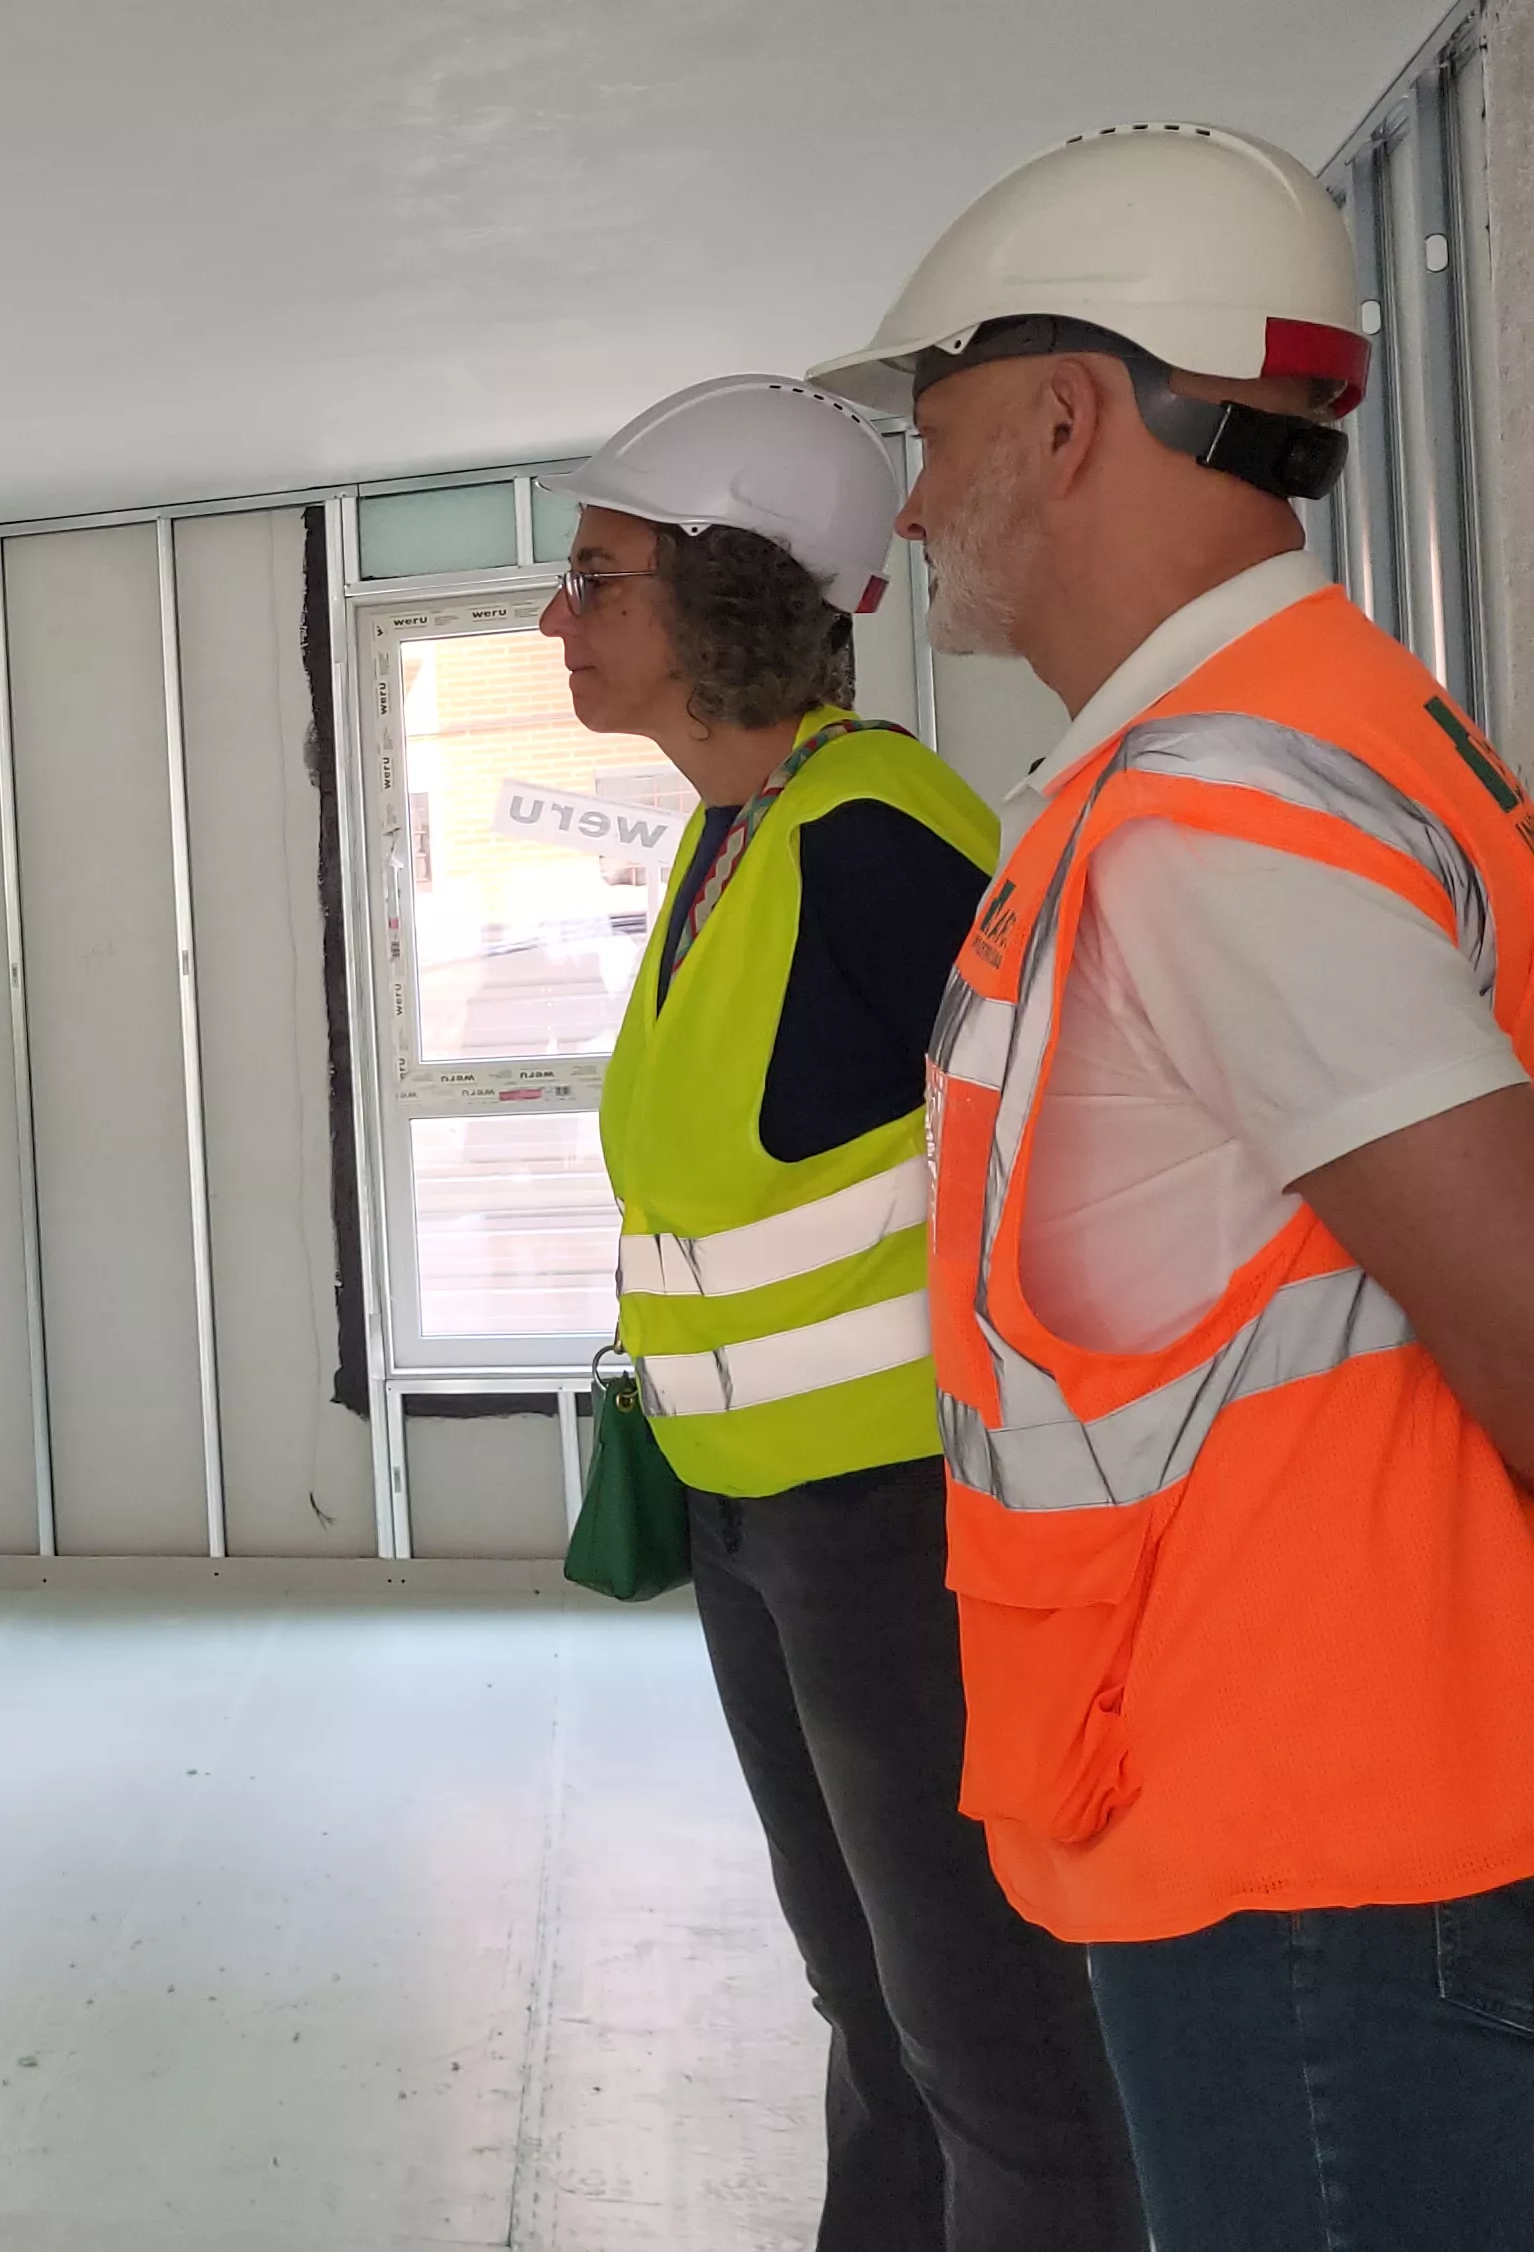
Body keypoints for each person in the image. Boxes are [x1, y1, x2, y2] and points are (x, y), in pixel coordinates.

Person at [811, 122, 1534, 2252]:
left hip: (1322, 1852)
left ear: (1061, 420)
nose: (914, 505)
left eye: (934, 436)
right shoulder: (1300, 734)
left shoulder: (1215, 809)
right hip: (1287, 1809)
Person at [548, 379, 1145, 2249]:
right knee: (876, 2007)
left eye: (596, 577)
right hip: (759, 1514)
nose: (557, 614)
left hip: (901, 1521)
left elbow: (1082, 1152)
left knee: (994, 2037)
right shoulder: (735, 832)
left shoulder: (878, 834)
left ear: (719, 592)